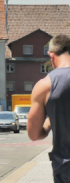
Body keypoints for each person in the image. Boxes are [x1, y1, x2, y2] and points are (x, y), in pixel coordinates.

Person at [29, 34, 70, 182]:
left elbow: (34, 134)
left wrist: (49, 122)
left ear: (51, 55)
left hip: (65, 168)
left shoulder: (45, 85)